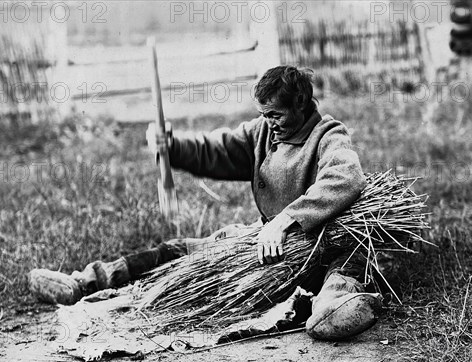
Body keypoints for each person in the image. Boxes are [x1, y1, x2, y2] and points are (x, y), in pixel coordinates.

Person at [29, 65, 384, 340]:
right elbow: (216, 150)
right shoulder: (263, 132)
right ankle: (85, 282)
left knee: (343, 269)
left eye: (275, 114)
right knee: (178, 250)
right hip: (264, 243)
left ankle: (334, 309)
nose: (268, 123)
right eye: (263, 114)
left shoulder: (328, 135)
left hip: (318, 243)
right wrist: (173, 146)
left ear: (302, 104)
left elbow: (346, 178)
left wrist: (286, 219)